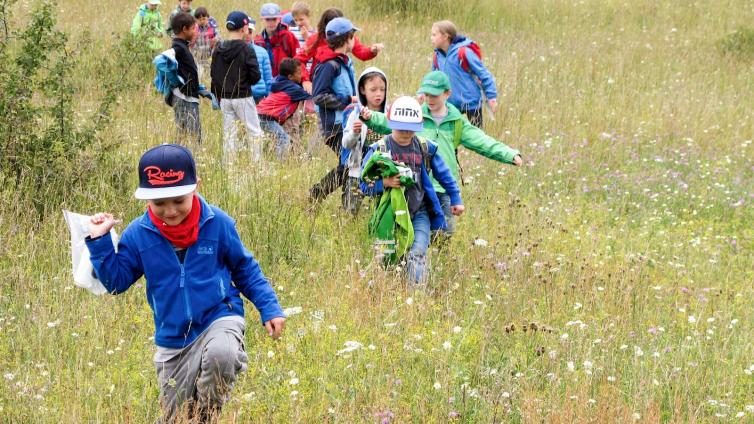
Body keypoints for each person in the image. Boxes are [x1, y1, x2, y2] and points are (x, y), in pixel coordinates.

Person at [85, 144, 285, 423]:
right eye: (160, 203)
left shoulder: (217, 223)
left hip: (219, 316)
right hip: (173, 340)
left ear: (196, 187)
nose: (170, 211)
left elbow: (244, 268)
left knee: (222, 354)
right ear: (146, 200)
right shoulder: (138, 235)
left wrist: (270, 308)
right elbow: (116, 282)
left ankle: (206, 418)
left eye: (178, 200)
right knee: (174, 418)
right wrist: (99, 241)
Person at [362, 71, 522, 234]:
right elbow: (386, 121)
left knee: (444, 233)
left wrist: (509, 154)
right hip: (420, 186)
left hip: (442, 187)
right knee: (414, 230)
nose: (430, 99)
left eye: (435, 95)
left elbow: (482, 141)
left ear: (447, 94)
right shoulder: (415, 116)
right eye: (427, 95)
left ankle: (434, 258)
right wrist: (369, 117)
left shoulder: (456, 121)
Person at [359, 96, 464, 286]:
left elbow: (445, 174)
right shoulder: (379, 149)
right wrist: (385, 183)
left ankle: (415, 296)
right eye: (401, 128)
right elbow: (364, 184)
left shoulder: (425, 147)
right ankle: (388, 290)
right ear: (390, 123)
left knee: (417, 253)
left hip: (419, 212)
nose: (406, 133)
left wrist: (456, 198)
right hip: (390, 215)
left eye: (411, 129)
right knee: (389, 258)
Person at [308, 17, 358, 203]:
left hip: (346, 122)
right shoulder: (329, 65)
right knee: (348, 163)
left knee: (350, 163)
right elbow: (319, 96)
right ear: (347, 39)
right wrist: (348, 101)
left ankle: (348, 205)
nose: (355, 41)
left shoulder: (342, 61)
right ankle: (316, 194)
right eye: (353, 36)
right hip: (335, 125)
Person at [211, 11, 263, 162]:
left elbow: (214, 75)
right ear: (244, 28)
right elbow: (255, 76)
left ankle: (229, 166)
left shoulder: (218, 49)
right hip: (243, 96)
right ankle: (257, 165)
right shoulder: (247, 49)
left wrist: (219, 94)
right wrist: (245, 83)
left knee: (230, 134)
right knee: (254, 132)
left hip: (225, 98)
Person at [294, 7, 383, 90]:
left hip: (340, 81)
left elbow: (361, 53)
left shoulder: (348, 37)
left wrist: (372, 50)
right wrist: (305, 80)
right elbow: (298, 60)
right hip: (320, 82)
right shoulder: (315, 39)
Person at [430, 20, 497, 128]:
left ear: (445, 36)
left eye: (434, 35)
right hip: (450, 105)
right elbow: (432, 79)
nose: (431, 38)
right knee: (449, 138)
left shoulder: (463, 52)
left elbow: (484, 74)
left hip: (471, 103)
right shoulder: (437, 55)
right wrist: (422, 93)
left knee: (477, 139)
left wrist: (492, 97)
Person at [340, 67, 388, 214]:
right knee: (351, 209)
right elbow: (346, 143)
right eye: (373, 89)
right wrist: (354, 133)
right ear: (362, 90)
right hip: (357, 169)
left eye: (382, 89)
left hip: (381, 170)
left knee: (379, 209)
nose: (378, 93)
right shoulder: (356, 114)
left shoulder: (389, 114)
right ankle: (349, 232)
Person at [256, 58, 311, 159]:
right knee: (283, 138)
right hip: (267, 117)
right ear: (290, 76)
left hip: (259, 113)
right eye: (299, 73)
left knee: (274, 137)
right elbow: (313, 95)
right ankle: (280, 163)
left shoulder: (278, 82)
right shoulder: (294, 89)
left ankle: (270, 157)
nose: (301, 75)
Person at [170, 12, 203, 144]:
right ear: (184, 29)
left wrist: (199, 88)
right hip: (185, 97)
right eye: (192, 28)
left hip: (188, 95)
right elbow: (165, 58)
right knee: (194, 134)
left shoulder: (183, 46)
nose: (195, 31)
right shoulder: (178, 47)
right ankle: (192, 158)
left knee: (183, 132)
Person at [254, 3, 300, 77]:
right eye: (268, 19)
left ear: (279, 19)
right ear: (262, 19)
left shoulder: (288, 36)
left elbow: (298, 59)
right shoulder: (258, 41)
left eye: (274, 19)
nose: (271, 22)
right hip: (267, 82)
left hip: (286, 81)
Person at [246, 20, 274, 104]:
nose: (247, 34)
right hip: (240, 96)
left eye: (250, 31)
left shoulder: (262, 52)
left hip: (258, 96)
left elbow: (268, 78)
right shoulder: (231, 51)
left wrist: (269, 98)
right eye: (245, 31)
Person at [190, 7, 220, 81]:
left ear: (208, 17)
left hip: (210, 57)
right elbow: (191, 44)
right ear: (196, 20)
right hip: (199, 57)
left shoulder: (212, 26)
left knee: (210, 75)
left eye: (204, 19)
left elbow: (219, 35)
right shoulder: (194, 29)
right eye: (200, 20)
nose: (202, 21)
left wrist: (215, 39)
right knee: (199, 76)